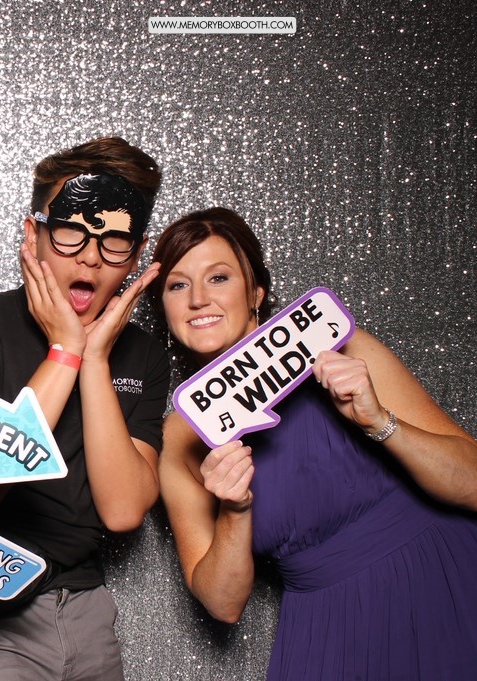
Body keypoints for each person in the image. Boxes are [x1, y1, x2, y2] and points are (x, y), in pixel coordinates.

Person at [149, 207, 477, 680]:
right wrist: (234, 510)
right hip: (333, 628)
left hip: (445, 577)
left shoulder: (340, 349)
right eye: (177, 285)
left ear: (256, 292)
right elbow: (222, 603)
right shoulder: (178, 440)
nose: (198, 299)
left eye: (218, 277)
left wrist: (379, 423)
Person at [0, 137, 170, 680]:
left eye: (114, 241)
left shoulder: (144, 355)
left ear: (137, 252)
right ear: (32, 234)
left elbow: (123, 511)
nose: (90, 256)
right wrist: (65, 350)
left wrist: (95, 358)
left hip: (87, 609)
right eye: (70, 232)